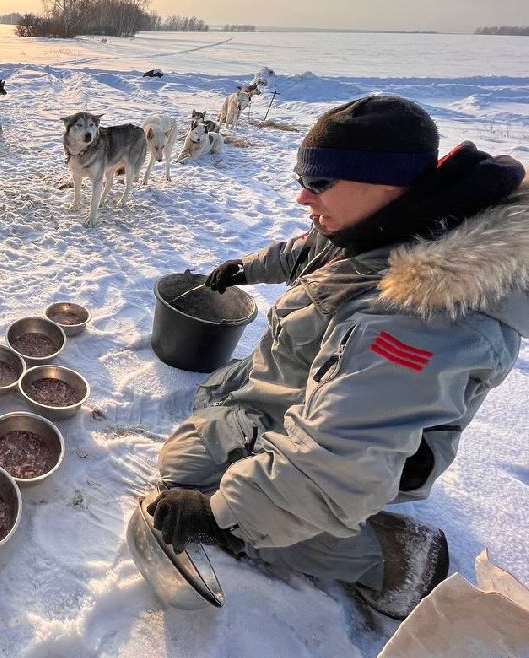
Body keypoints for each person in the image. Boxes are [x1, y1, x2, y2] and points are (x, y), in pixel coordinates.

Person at [148, 95, 527, 619]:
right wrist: (244, 268)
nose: (305, 196)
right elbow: (307, 251)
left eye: (320, 183)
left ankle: (394, 562)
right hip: (306, 394)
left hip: (350, 456)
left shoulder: (418, 315)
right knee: (196, 442)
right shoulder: (381, 223)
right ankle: (252, 472)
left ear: (387, 183)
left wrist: (215, 516)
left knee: (205, 489)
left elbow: (333, 468)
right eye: (304, 179)